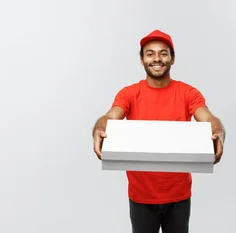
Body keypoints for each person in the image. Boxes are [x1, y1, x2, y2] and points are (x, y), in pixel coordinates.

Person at [91, 29, 226, 233]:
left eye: (163, 53)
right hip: (141, 197)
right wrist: (99, 129)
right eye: (150, 53)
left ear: (172, 59)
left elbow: (209, 118)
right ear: (142, 59)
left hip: (179, 196)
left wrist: (219, 134)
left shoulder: (187, 93)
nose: (157, 59)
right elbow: (110, 117)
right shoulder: (129, 94)